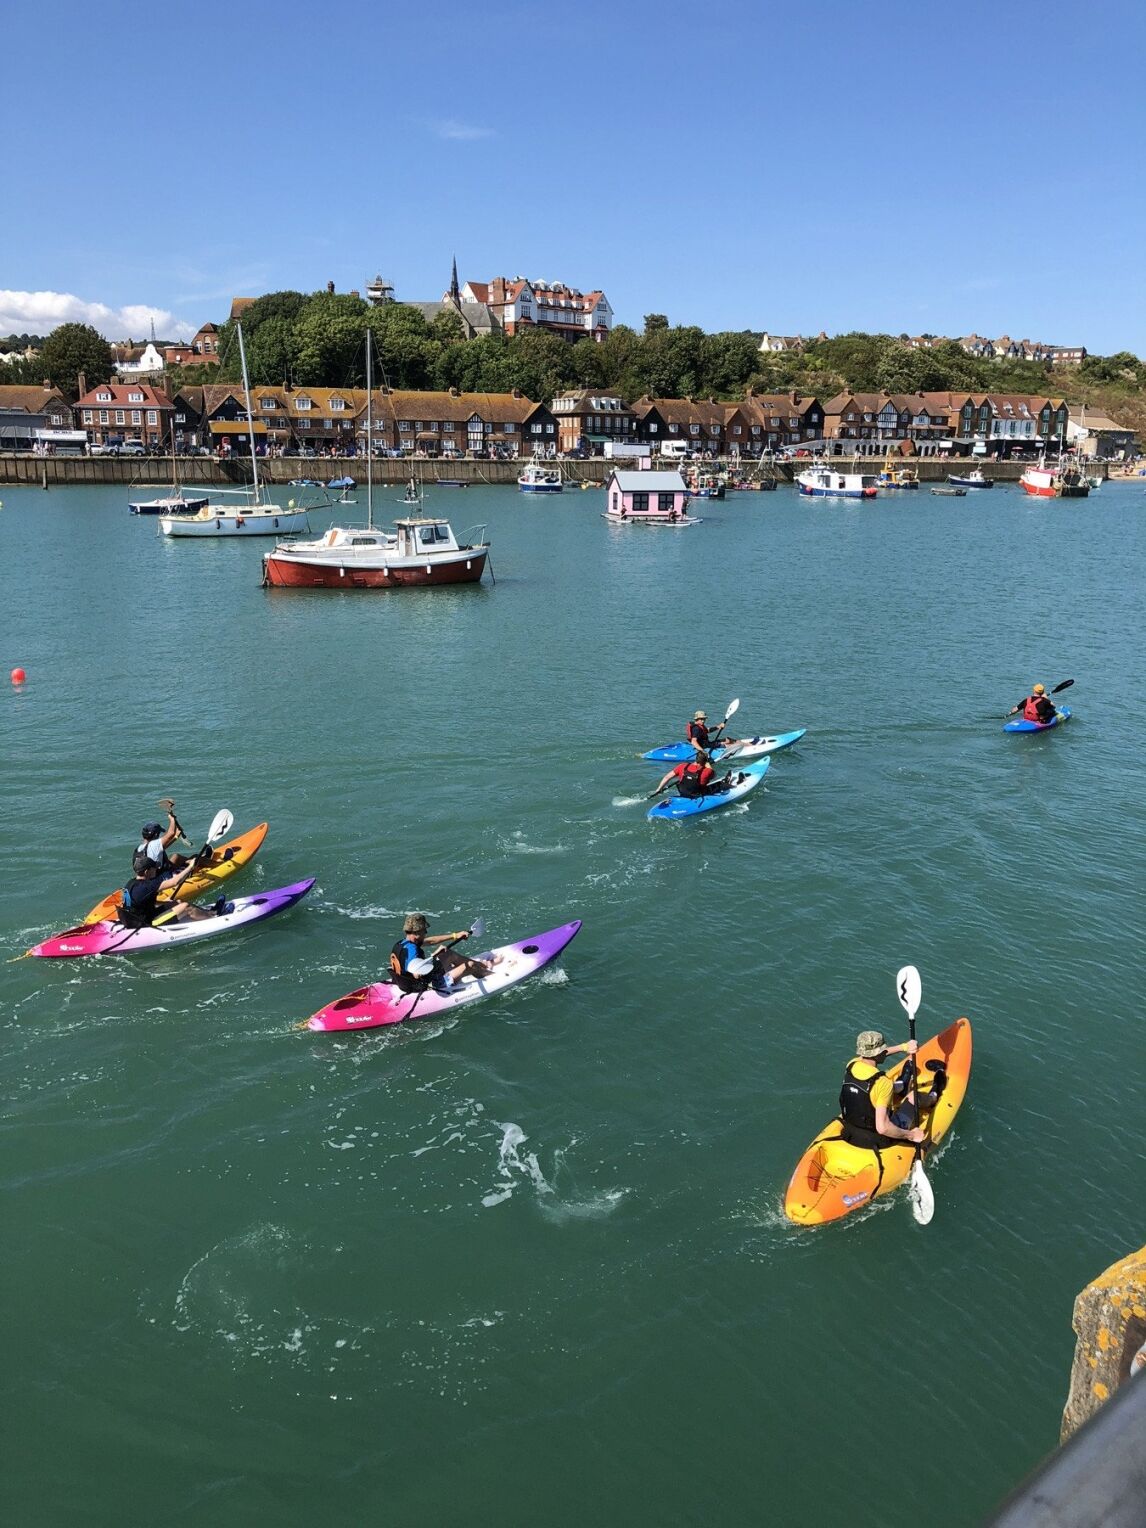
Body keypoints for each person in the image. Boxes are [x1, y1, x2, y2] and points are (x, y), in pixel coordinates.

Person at [838, 1030, 946, 1150]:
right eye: (884, 1050)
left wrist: (904, 1047)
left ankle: (902, 1086)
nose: (886, 1051)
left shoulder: (851, 1065)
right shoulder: (883, 1083)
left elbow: (873, 1055)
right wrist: (911, 1135)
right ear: (879, 1053)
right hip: (878, 1139)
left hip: (850, 1131)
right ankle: (934, 1096)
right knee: (914, 1096)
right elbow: (883, 1128)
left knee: (876, 1090)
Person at [389, 914, 491, 994]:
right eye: (424, 930)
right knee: (470, 966)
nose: (426, 932)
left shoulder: (403, 944)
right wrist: (434, 954)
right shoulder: (413, 951)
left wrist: (455, 935)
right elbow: (417, 974)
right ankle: (490, 975)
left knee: (448, 954)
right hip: (428, 984)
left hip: (405, 982)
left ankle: (482, 966)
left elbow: (430, 941)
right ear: (416, 933)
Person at [117, 855, 214, 928]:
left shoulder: (131, 883)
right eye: (154, 868)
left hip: (135, 917)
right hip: (146, 923)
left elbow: (141, 902)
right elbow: (175, 881)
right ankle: (214, 919)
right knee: (186, 907)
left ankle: (209, 912)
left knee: (178, 902)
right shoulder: (147, 886)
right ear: (147, 872)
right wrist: (190, 867)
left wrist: (166, 903)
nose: (156, 870)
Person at [651, 749, 732, 800]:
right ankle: (728, 783)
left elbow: (667, 777)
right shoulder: (708, 771)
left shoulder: (682, 766)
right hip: (698, 794)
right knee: (719, 784)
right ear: (705, 761)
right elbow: (714, 776)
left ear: (696, 758)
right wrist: (708, 765)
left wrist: (659, 789)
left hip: (683, 792)